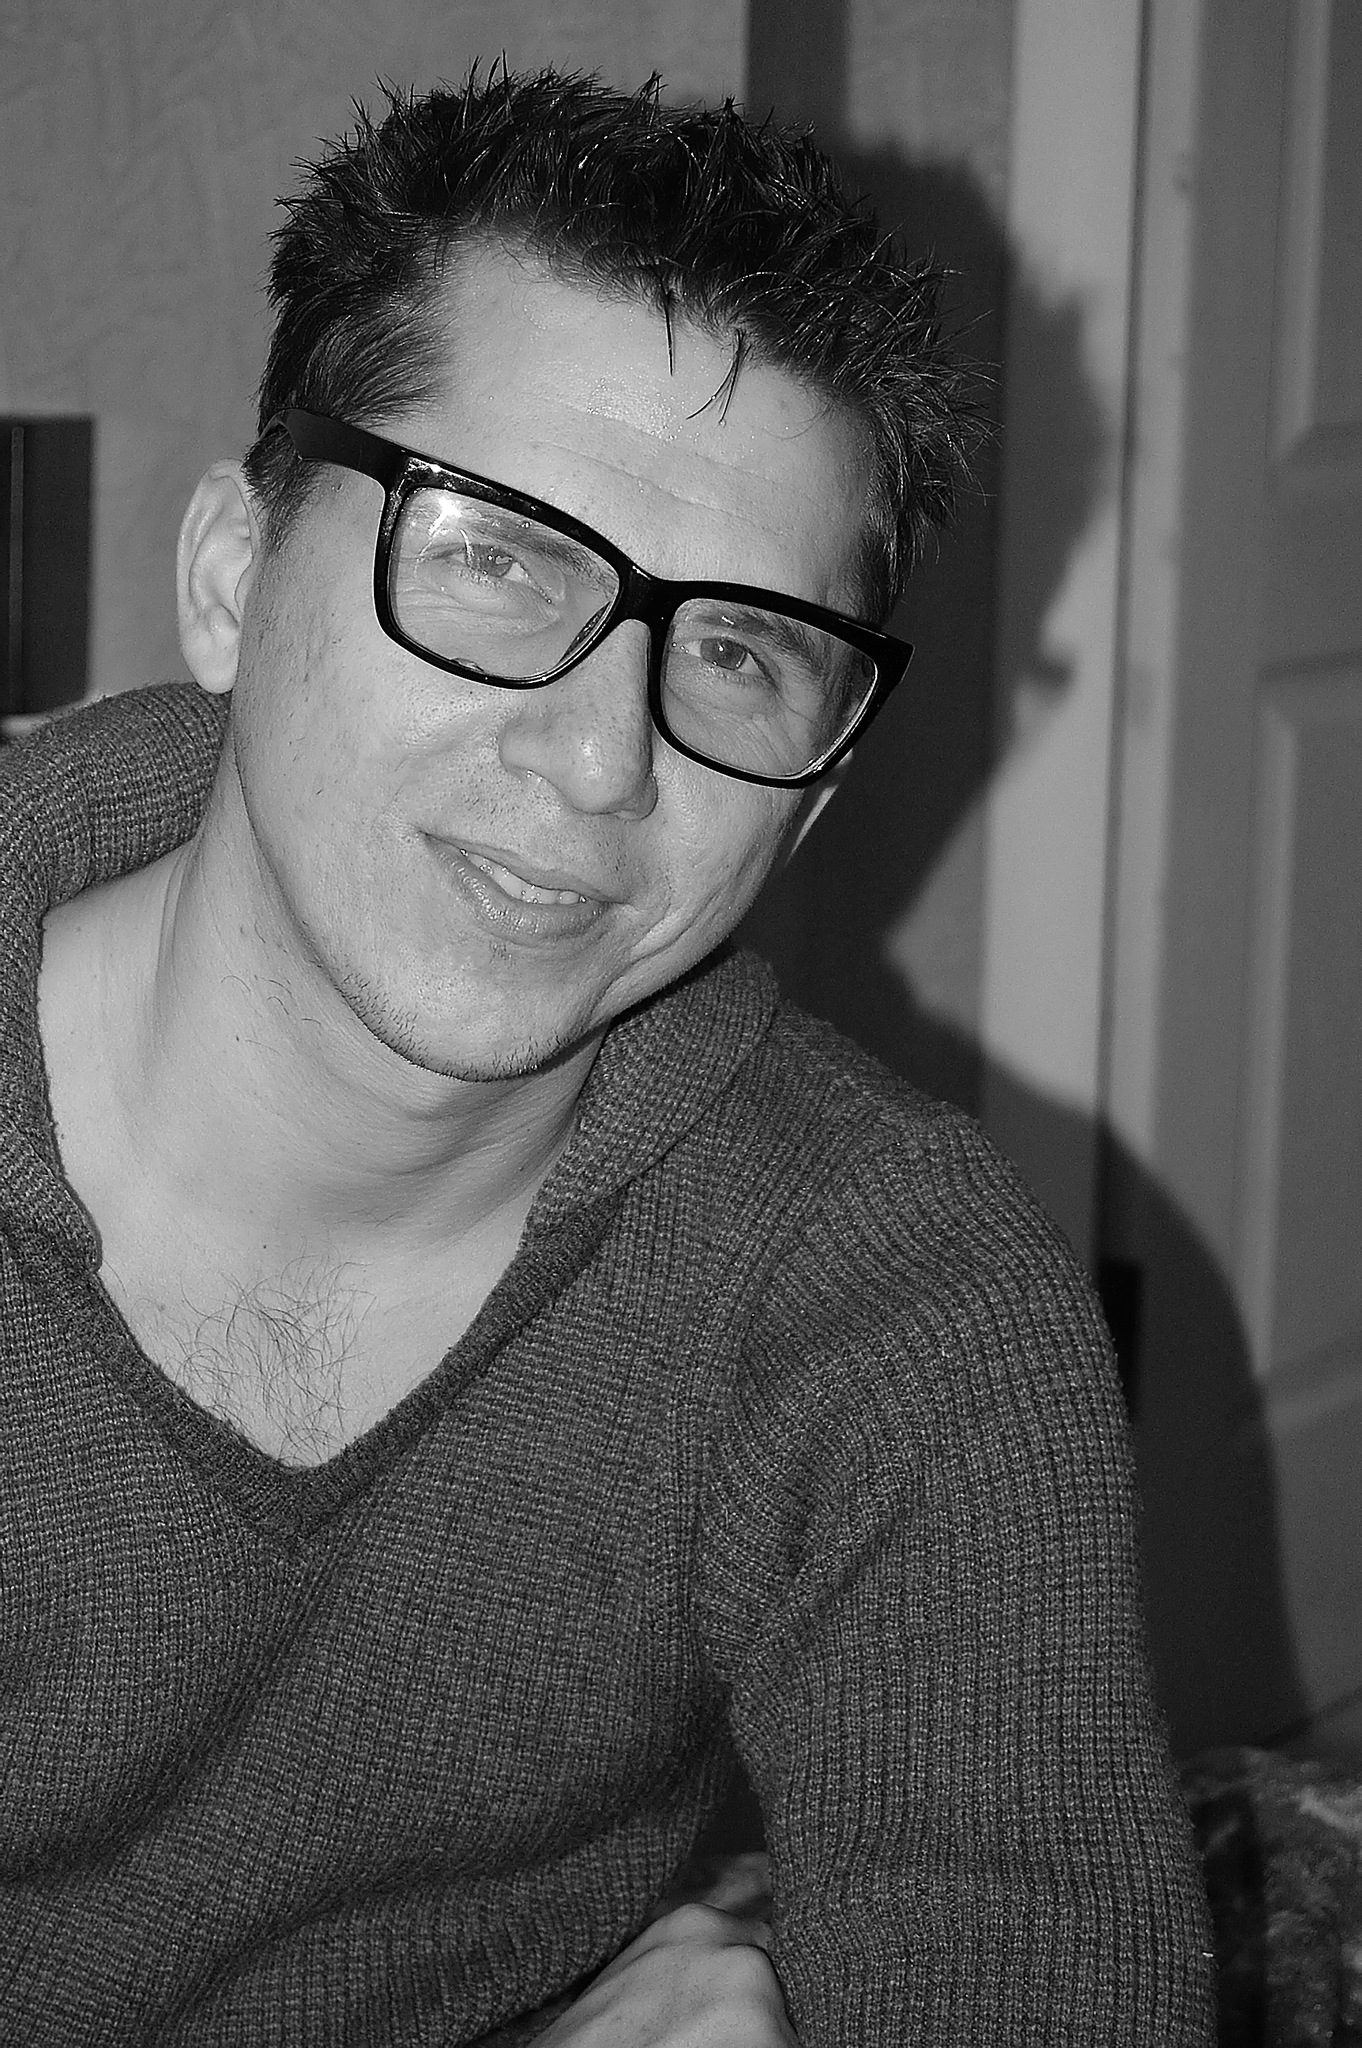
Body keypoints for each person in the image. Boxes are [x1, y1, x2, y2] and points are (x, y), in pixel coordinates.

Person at [1, 66, 1214, 2045]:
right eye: (495, 558)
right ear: (230, 575)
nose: (598, 758)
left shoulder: (891, 1297)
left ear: (811, 795)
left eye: (737, 650)